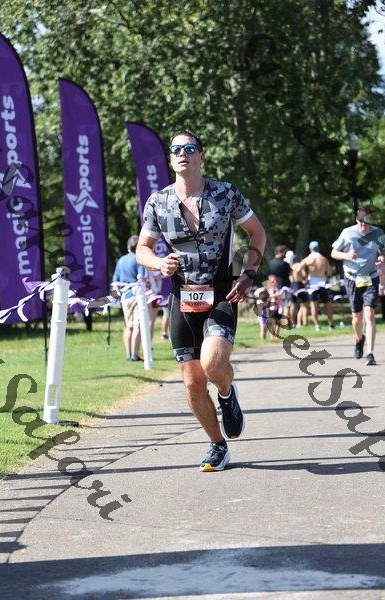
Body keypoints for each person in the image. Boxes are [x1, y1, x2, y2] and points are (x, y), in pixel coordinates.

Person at [136, 129, 266, 471]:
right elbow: (142, 249)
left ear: (201, 156)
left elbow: (257, 233)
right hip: (182, 295)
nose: (183, 153)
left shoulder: (225, 193)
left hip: (222, 291)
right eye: (176, 149)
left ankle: (226, 392)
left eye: (190, 148)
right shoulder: (158, 201)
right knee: (192, 382)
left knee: (212, 364)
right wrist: (158, 263)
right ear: (170, 159)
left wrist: (248, 273)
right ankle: (217, 445)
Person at [331, 206, 385, 365]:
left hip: (371, 277)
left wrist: (382, 258)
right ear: (357, 220)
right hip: (352, 278)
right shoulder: (347, 233)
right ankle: (359, 338)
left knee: (369, 316)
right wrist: (346, 255)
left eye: (366, 222)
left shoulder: (378, 233)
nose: (363, 225)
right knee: (357, 318)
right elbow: (334, 253)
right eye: (361, 222)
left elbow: (383, 251)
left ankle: (370, 353)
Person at [112, 235, 146, 361]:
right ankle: (134, 354)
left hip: (124, 296)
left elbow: (115, 281)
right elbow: (142, 278)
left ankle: (128, 354)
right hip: (137, 295)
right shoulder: (138, 259)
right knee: (138, 325)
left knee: (128, 325)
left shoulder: (121, 260)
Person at [299, 241, 335, 331]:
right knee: (328, 305)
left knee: (313, 306)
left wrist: (304, 276)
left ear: (310, 249)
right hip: (323, 284)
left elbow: (298, 269)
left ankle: (317, 325)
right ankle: (331, 324)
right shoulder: (324, 259)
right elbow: (329, 273)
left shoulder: (307, 259)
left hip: (312, 285)